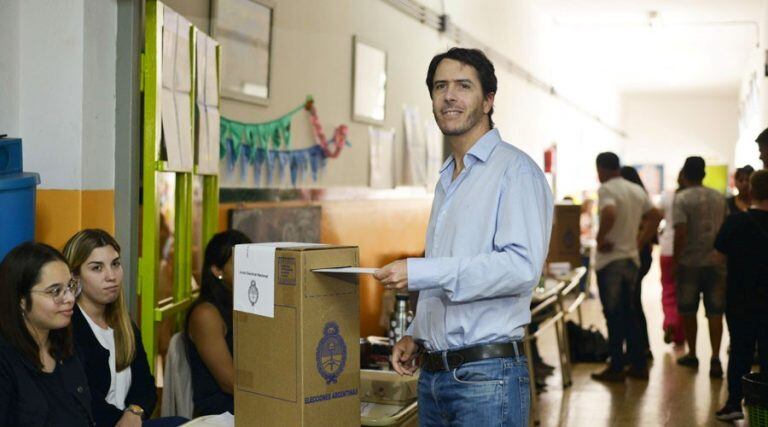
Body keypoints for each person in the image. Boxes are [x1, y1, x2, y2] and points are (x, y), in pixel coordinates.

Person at [374, 47, 553, 426]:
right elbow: (455, 263)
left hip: (487, 379)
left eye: (463, 86)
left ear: (488, 100)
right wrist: (417, 333)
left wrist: (422, 271)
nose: (449, 96)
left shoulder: (515, 172)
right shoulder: (448, 179)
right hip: (434, 377)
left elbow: (521, 268)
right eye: (440, 86)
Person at [64, 229, 186, 427]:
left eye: (115, 264)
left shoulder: (123, 323)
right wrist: (125, 419)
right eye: (97, 268)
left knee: (183, 423)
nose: (111, 276)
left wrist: (134, 412)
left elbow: (146, 386)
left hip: (131, 421)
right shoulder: (67, 326)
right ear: (75, 276)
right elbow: (83, 401)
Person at [0, 242, 94, 426]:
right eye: (55, 291)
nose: (69, 298)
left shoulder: (66, 345)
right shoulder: (5, 359)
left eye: (70, 286)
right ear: (21, 299)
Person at [590, 153, 662, 383]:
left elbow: (609, 213)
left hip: (611, 263)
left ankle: (617, 367)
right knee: (629, 313)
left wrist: (600, 240)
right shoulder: (635, 190)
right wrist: (639, 242)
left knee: (613, 315)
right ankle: (638, 364)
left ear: (601, 169)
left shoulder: (607, 189)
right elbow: (655, 215)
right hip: (631, 260)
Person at [714, 169, 768, 420]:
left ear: (750, 191)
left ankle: (734, 403)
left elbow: (719, 258)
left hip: (740, 299)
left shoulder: (735, 222)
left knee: (740, 352)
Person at [185, 230, 251, 416]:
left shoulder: (244, 302)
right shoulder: (205, 314)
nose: (248, 270)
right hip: (221, 413)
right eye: (240, 264)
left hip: (248, 403)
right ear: (217, 271)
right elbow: (230, 382)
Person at [673, 156, 728, 377]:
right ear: (704, 174)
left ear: (684, 174)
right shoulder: (719, 197)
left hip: (689, 263)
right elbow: (725, 229)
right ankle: (715, 358)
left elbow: (680, 233)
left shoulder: (682, 198)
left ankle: (693, 353)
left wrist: (676, 261)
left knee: (689, 310)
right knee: (715, 312)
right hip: (716, 262)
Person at [619, 166, 654, 359]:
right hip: (643, 256)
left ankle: (637, 350)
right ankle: (641, 347)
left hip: (635, 257)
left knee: (630, 304)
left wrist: (636, 243)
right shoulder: (641, 198)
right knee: (634, 302)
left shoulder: (632, 201)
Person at [656, 172, 686, 345]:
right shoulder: (690, 198)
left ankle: (670, 322)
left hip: (667, 248)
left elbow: (657, 216)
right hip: (687, 251)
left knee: (668, 289)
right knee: (684, 293)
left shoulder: (667, 196)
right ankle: (680, 334)